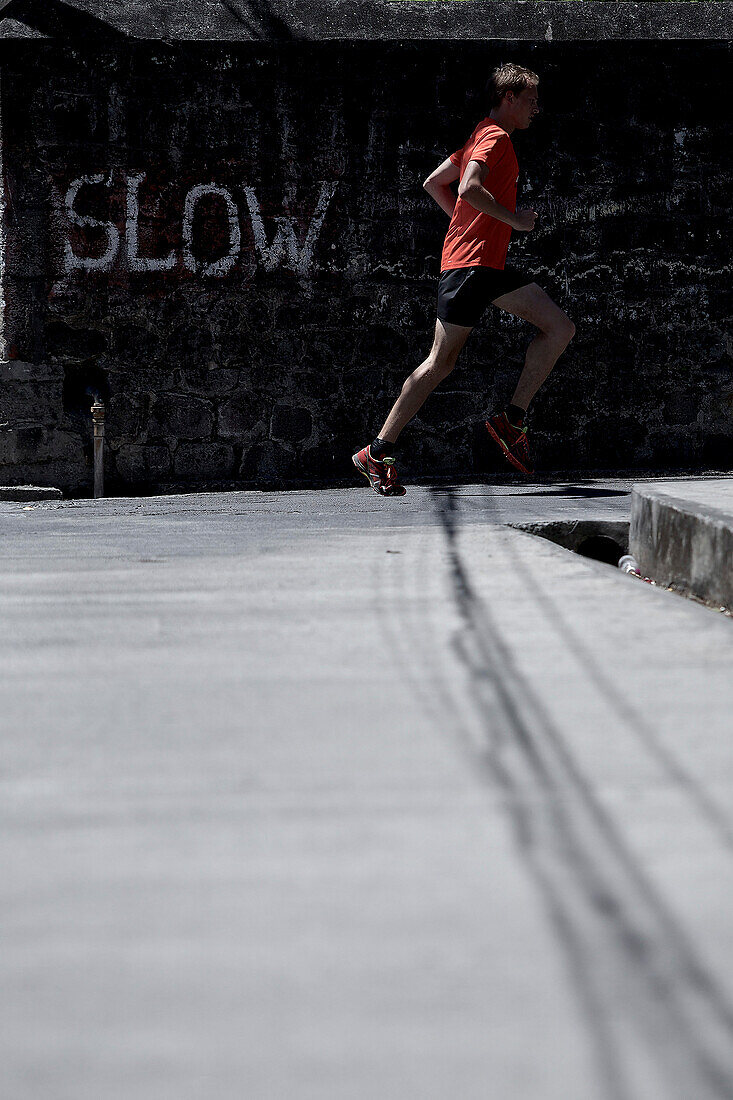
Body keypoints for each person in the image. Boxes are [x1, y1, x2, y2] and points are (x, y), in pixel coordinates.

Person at [352, 62, 575, 496]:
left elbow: (435, 182)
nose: (536, 109)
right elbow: (469, 187)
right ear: (508, 98)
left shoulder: (480, 134)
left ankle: (511, 421)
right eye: (530, 100)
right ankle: (376, 452)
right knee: (440, 362)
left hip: (485, 265)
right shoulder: (496, 137)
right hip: (471, 267)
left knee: (559, 327)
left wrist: (469, 227)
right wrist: (515, 222)